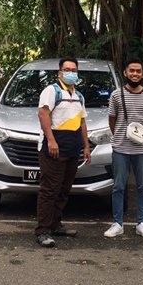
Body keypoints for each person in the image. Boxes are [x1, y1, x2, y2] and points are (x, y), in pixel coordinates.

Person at [34, 57, 91, 248]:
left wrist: (86, 146)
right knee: (49, 190)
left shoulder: (79, 96)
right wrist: (51, 140)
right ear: (60, 73)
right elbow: (43, 114)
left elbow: (82, 122)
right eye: (67, 70)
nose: (71, 73)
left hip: (72, 149)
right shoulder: (52, 91)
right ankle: (42, 231)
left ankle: (55, 225)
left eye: (74, 70)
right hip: (53, 149)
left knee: (63, 190)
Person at [104, 57, 143, 238]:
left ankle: (142, 223)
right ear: (125, 73)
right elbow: (112, 119)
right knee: (118, 186)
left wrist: (140, 135)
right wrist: (120, 135)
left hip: (142, 149)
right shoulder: (116, 95)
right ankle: (117, 223)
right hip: (120, 148)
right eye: (132, 71)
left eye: (138, 71)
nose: (135, 74)